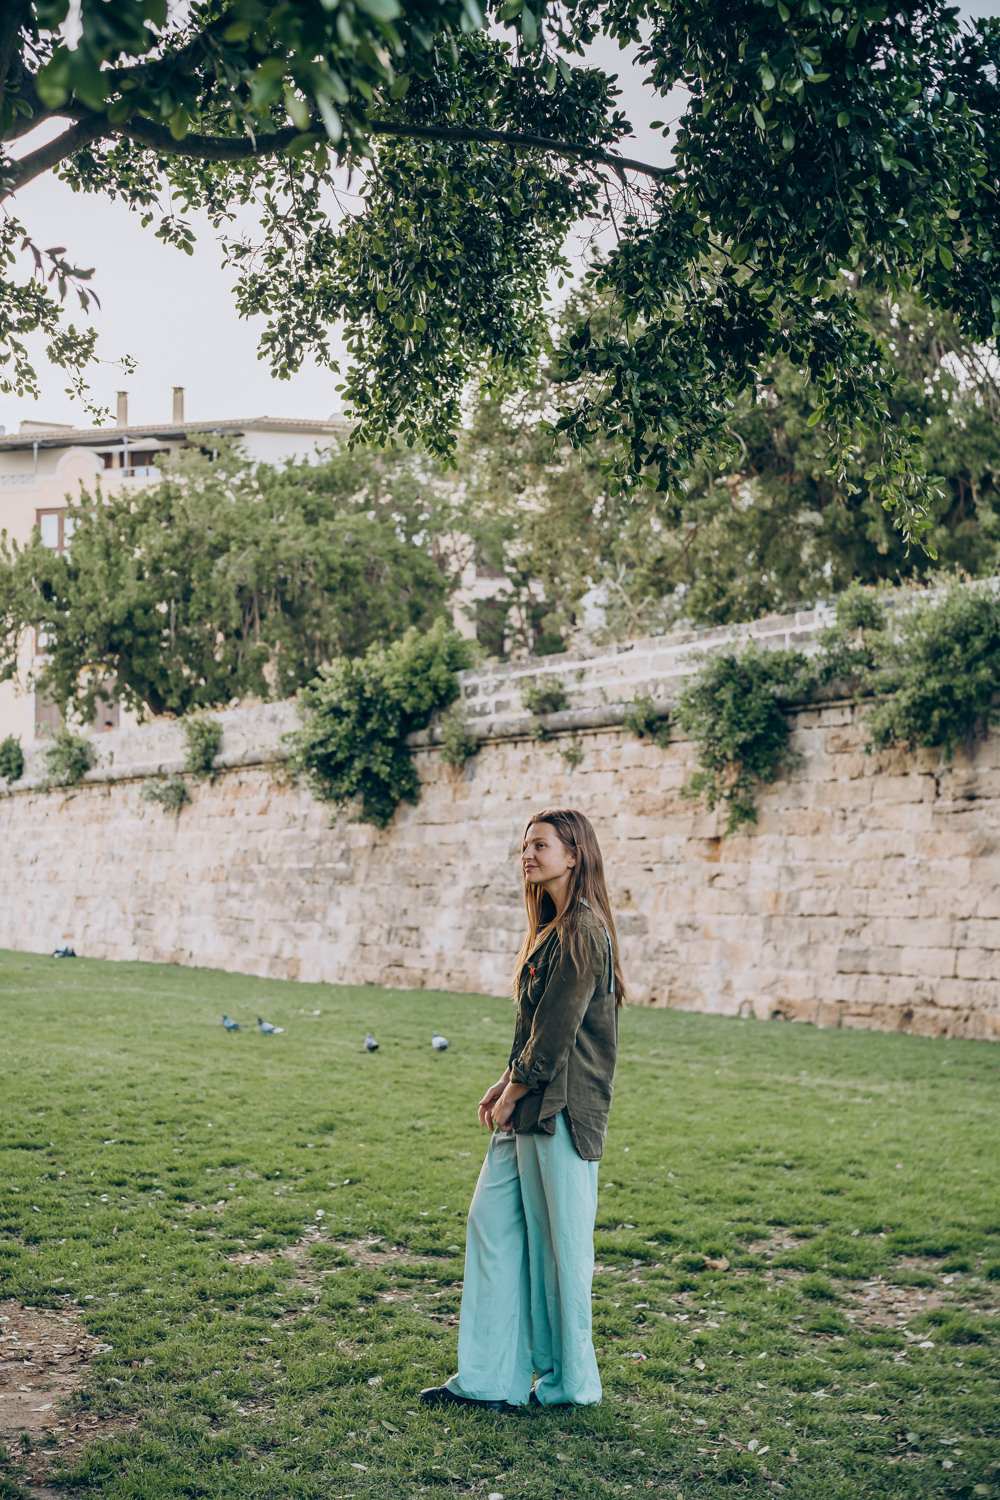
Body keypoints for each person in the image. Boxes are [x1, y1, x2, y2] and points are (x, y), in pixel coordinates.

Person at [420, 807, 626, 1412]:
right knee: (492, 1225)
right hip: (530, 1102)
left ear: (574, 855)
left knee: (562, 1250)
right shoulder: (552, 927)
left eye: (540, 846)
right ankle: (489, 1380)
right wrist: (504, 1082)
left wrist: (514, 1091)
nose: (528, 856)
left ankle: (571, 1386)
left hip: (561, 1111)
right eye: (524, 846)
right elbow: (535, 1029)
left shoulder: (583, 931)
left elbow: (559, 1032)